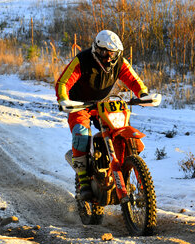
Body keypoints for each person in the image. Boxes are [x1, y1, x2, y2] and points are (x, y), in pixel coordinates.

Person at [56, 29, 149, 201]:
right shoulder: (82, 60)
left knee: (124, 133)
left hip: (103, 103)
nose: (108, 57)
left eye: (112, 53)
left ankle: (125, 172)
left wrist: (142, 93)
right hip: (79, 105)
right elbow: (63, 82)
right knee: (81, 134)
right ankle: (84, 181)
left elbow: (133, 79)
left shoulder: (119, 62)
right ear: (96, 49)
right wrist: (63, 99)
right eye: (104, 52)